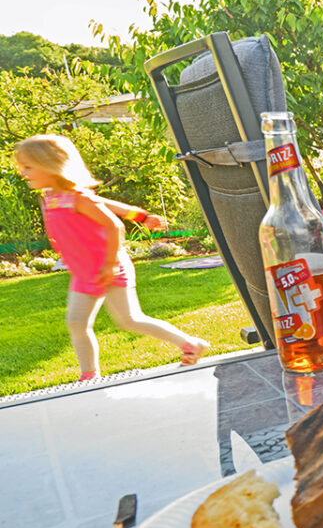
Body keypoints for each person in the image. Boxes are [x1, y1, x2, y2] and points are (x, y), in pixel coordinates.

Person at [14, 134, 208, 381]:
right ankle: (89, 376)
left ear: (49, 165)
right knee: (76, 322)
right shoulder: (52, 196)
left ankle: (191, 344)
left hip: (108, 267)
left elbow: (113, 225)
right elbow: (107, 203)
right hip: (84, 272)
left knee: (130, 319)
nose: (23, 173)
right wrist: (140, 216)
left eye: (28, 167)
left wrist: (109, 264)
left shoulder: (78, 198)